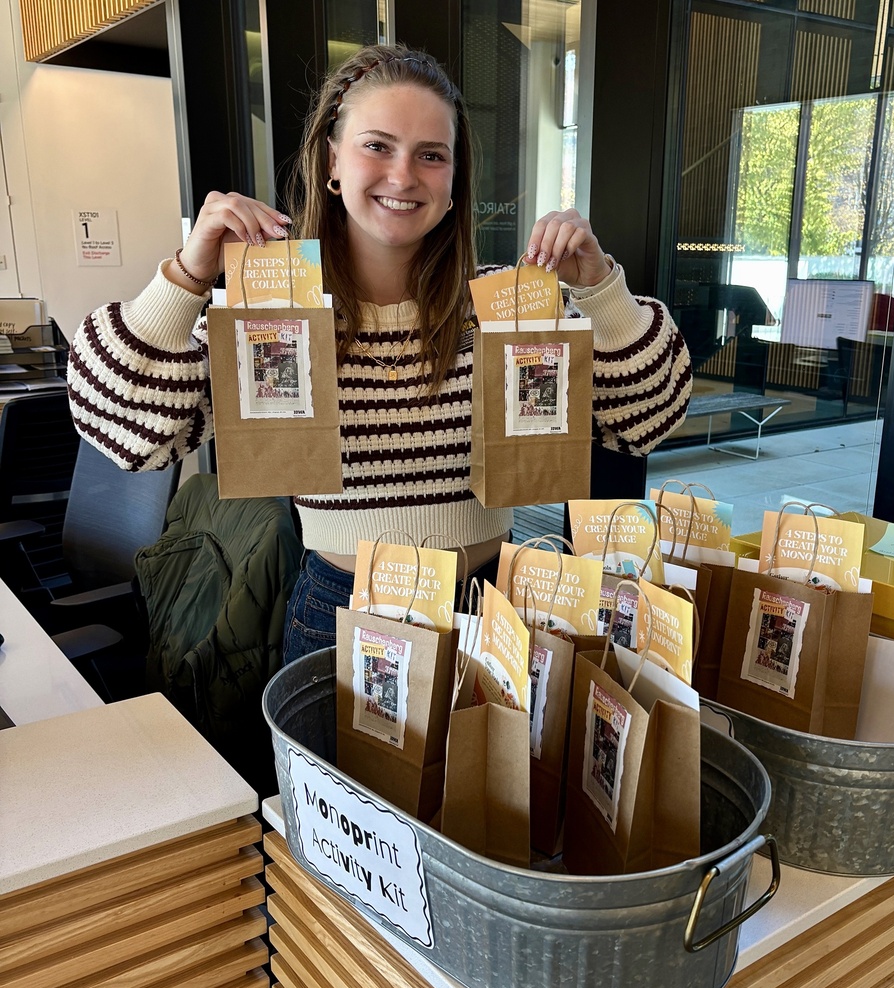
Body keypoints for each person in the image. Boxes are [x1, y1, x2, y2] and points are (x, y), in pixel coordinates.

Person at [67, 43, 693, 665]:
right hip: (342, 613)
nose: (403, 175)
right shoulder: (276, 311)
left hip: (491, 605)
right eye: (377, 145)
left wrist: (603, 290)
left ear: (454, 183)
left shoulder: (503, 306)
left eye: (431, 155)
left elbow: (645, 421)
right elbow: (127, 434)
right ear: (332, 160)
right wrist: (185, 275)